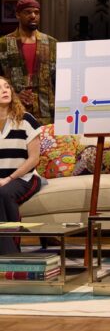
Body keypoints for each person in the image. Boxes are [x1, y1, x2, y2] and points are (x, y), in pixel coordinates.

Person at [0, 76, 41, 254]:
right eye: (0, 88)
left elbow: (34, 159)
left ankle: (11, 253)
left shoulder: (26, 120)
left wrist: (9, 178)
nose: (5, 90)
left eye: (6, 86)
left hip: (25, 178)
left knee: (4, 193)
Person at [0, 0, 56, 125]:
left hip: (47, 112)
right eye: (28, 12)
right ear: (18, 15)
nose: (33, 16)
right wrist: (13, 94)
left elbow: (60, 79)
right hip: (14, 111)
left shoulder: (52, 43)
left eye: (36, 12)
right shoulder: (4, 44)